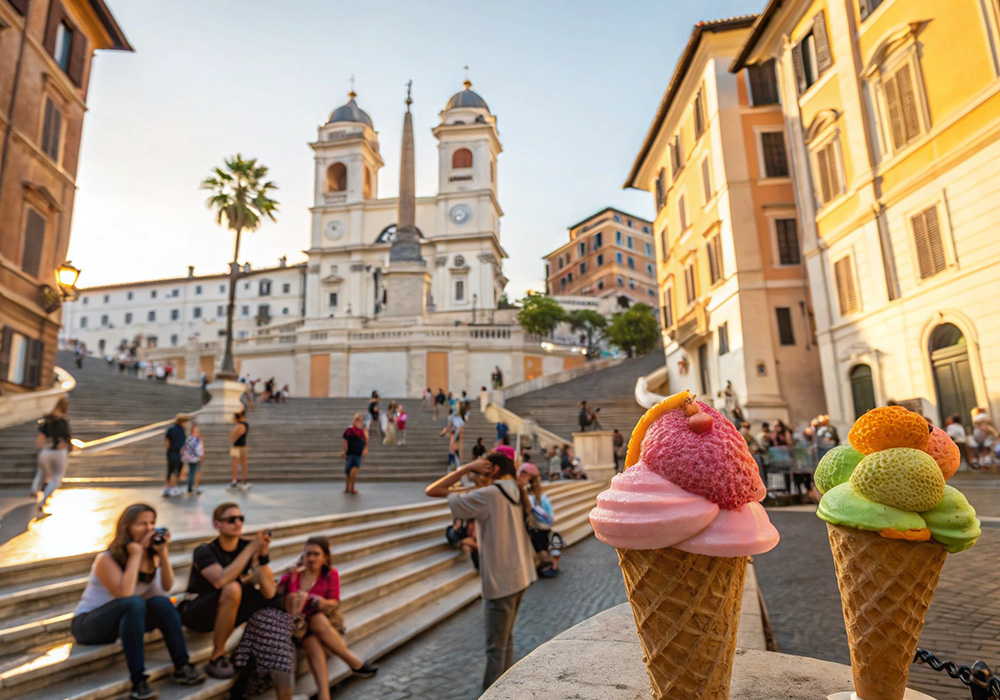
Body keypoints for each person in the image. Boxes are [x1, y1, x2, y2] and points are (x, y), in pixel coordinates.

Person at [425, 452, 537, 689]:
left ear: (493, 470)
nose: (476, 478)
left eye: (479, 473)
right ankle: (508, 691)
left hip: (502, 579)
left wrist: (465, 467)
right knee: (505, 642)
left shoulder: (489, 494)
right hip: (522, 574)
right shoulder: (515, 488)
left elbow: (432, 490)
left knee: (496, 649)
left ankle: (493, 694)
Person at [72, 504, 205, 699]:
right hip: (89, 625)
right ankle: (138, 681)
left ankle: (182, 665)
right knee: (134, 603)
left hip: (126, 620)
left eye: (152, 523)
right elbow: (124, 594)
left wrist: (162, 554)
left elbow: (164, 589)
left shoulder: (150, 557)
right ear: (127, 528)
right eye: (142, 524)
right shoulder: (106, 559)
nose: (149, 529)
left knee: (161, 603)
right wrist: (136, 554)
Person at [179, 502, 276, 679]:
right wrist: (251, 548)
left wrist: (262, 556)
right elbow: (220, 580)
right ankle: (217, 656)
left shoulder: (247, 547)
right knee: (232, 587)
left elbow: (269, 592)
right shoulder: (204, 551)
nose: (238, 523)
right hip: (196, 612)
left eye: (241, 519)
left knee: (268, 599)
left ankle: (250, 652)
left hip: (227, 608)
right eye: (231, 520)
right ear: (217, 525)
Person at [278, 537, 377, 700]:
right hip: (298, 626)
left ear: (326, 557)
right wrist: (292, 577)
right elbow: (281, 595)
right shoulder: (294, 574)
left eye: (316, 554)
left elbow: (335, 602)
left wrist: (322, 602)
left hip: (321, 622)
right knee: (311, 636)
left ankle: (325, 696)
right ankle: (354, 663)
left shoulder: (331, 574)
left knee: (316, 627)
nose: (311, 558)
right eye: (308, 554)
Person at [517, 461, 559, 577]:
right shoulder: (541, 496)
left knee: (539, 548)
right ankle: (546, 565)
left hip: (535, 527)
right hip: (542, 527)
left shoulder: (529, 496)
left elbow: (527, 509)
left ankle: (543, 565)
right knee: (542, 546)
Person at [32, 396, 72, 516]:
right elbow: (68, 437)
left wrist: (39, 449)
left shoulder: (47, 422)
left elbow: (40, 438)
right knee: (56, 478)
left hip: (45, 452)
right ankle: (43, 501)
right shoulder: (62, 422)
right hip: (59, 452)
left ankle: (36, 491)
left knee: (45, 476)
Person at [342, 414, 368, 495]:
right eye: (357, 420)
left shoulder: (362, 431)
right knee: (348, 472)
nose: (359, 422)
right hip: (350, 453)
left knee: (354, 470)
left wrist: (365, 449)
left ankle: (352, 488)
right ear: (354, 421)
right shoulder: (349, 430)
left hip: (358, 453)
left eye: (360, 421)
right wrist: (345, 451)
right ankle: (347, 488)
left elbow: (365, 441)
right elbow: (345, 441)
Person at [228, 410, 250, 490]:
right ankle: (243, 480)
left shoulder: (240, 425)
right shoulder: (245, 424)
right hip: (243, 446)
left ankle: (235, 480)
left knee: (235, 464)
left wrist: (233, 436)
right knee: (243, 463)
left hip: (237, 446)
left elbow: (233, 435)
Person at [181, 421, 205, 495]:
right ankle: (193, 486)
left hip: (190, 457)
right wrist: (201, 454)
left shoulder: (189, 437)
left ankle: (191, 486)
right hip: (195, 456)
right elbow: (199, 447)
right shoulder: (195, 438)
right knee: (194, 471)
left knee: (192, 471)